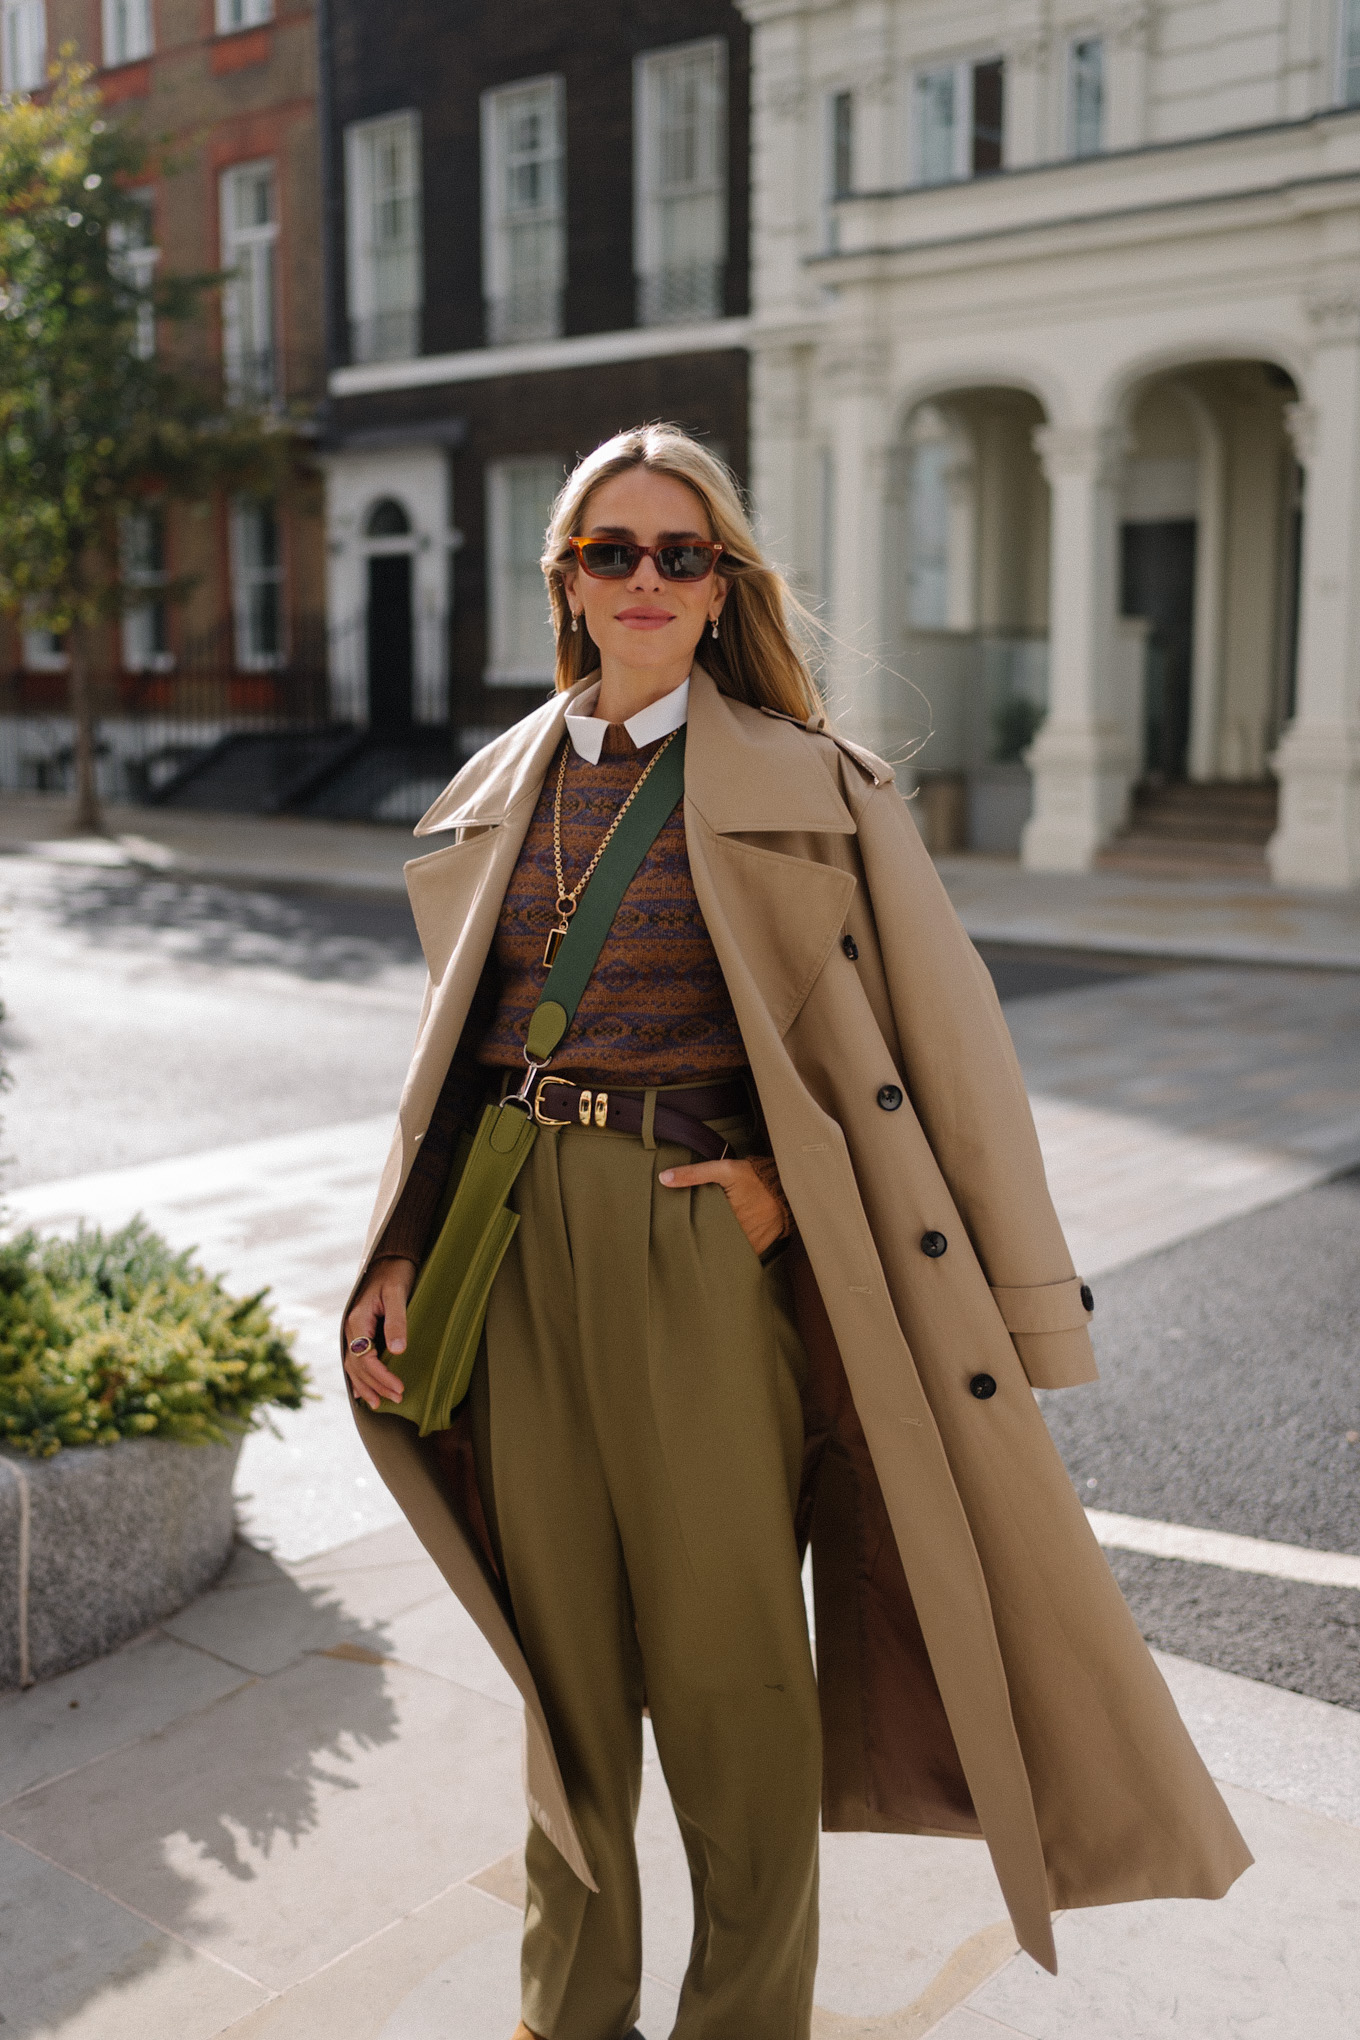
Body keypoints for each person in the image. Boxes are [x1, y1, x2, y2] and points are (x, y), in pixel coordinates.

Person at [342, 424, 1249, 2040]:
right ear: (567, 581)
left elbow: (950, 1052)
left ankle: (744, 2020)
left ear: (723, 587)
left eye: (680, 553)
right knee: (560, 1677)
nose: (645, 578)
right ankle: (568, 2011)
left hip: (701, 1250)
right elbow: (453, 1059)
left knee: (733, 1676)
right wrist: (402, 1250)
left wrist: (791, 1188)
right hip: (515, 1247)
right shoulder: (495, 788)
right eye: (610, 551)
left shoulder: (818, 785)